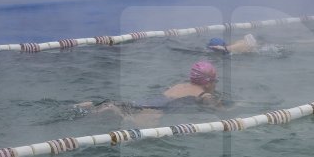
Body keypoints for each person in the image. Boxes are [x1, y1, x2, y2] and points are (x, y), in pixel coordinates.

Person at [76, 61, 222, 126]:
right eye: (215, 81)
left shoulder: (179, 85)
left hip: (150, 100)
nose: (216, 84)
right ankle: (113, 111)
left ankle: (91, 106)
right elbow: (216, 109)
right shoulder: (204, 94)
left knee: (123, 106)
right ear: (208, 82)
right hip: (155, 109)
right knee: (128, 118)